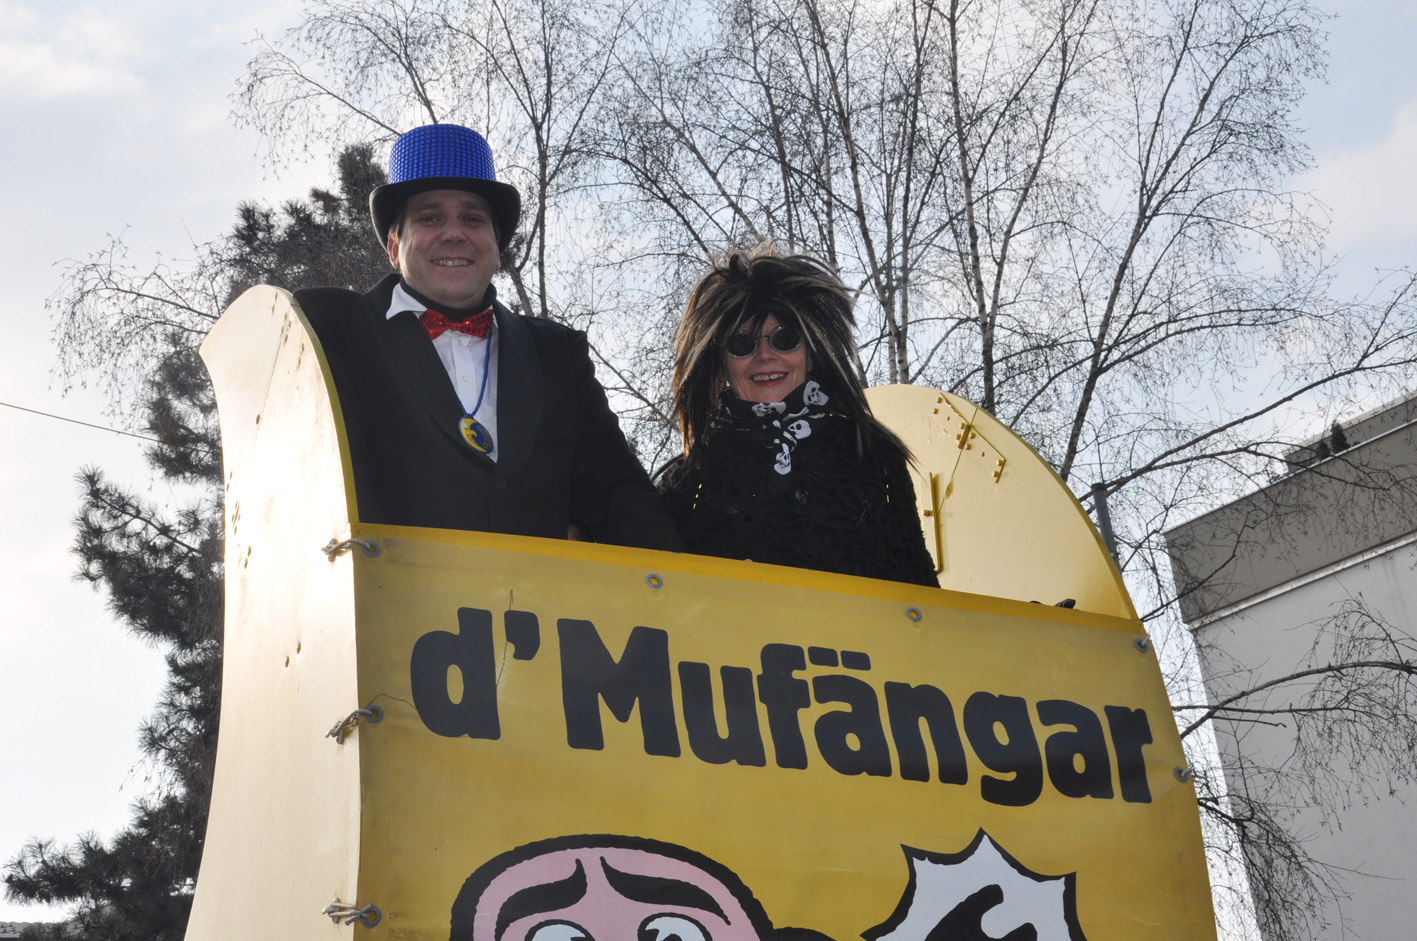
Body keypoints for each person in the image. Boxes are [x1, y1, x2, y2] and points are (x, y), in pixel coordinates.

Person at [295, 124, 680, 551]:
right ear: (393, 247)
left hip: (537, 593)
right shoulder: (329, 327)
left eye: (473, 219)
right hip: (383, 589)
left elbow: (621, 496)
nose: (454, 233)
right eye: (430, 217)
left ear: (497, 246)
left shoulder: (558, 354)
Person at [657, 248, 938, 587]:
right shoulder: (691, 481)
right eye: (742, 343)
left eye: (785, 339)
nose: (765, 356)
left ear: (812, 353)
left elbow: (919, 589)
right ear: (721, 362)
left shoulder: (873, 456)